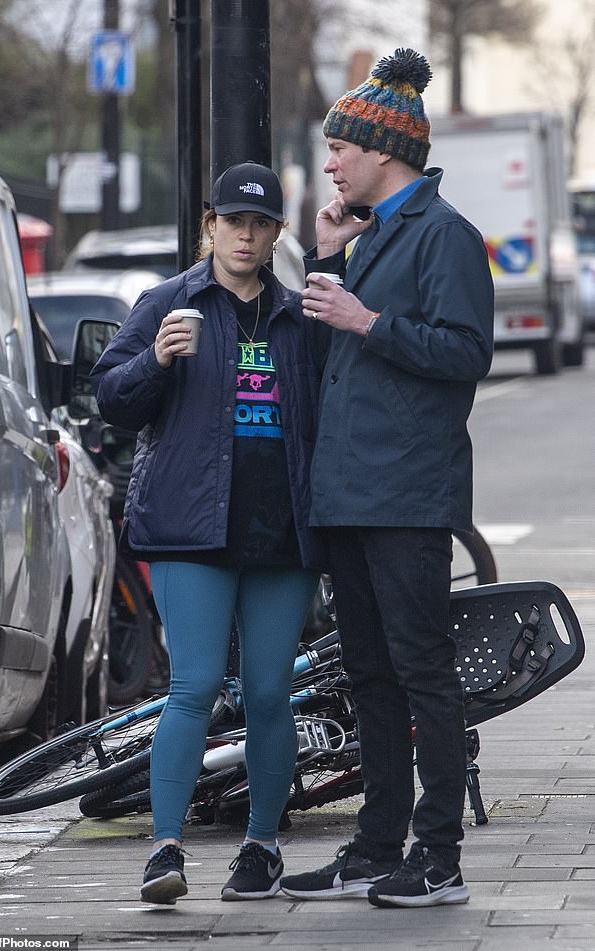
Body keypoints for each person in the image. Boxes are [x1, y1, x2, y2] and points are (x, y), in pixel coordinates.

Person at [279, 48, 494, 908]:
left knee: (421, 673)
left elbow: (467, 352)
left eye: (339, 148)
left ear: (383, 152)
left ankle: (437, 856)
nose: (329, 162)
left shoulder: (445, 235)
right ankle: (374, 847)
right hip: (347, 492)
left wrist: (369, 316)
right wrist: (330, 263)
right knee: (366, 673)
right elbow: (337, 353)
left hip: (407, 495)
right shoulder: (364, 237)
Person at [90, 162, 327, 905]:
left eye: (260, 225)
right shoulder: (167, 302)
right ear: (210, 226)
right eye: (233, 222)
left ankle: (260, 847)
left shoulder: (296, 317)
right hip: (192, 528)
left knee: (267, 692)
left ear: (276, 234)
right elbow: (111, 398)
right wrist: (157, 360)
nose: (245, 236)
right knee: (192, 685)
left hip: (280, 530)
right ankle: (165, 849)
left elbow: (324, 416)